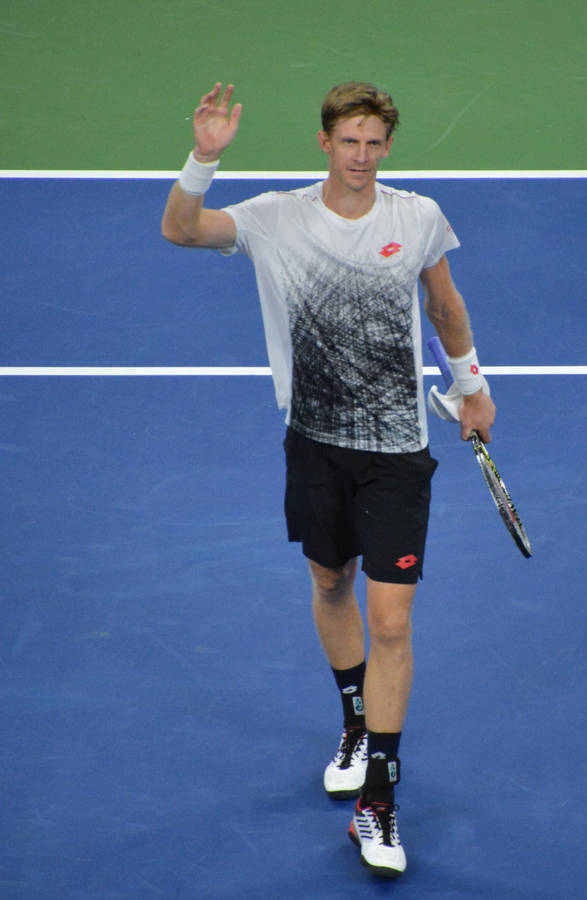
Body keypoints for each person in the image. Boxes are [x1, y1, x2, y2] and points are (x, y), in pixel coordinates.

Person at [162, 81, 495, 878]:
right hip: (313, 446)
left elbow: (444, 305)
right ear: (324, 143)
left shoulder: (416, 217)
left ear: (388, 146)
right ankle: (354, 722)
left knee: (392, 623)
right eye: (349, 141)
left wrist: (471, 384)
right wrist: (203, 158)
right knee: (328, 581)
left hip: (397, 453)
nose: (362, 156)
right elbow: (181, 229)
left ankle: (377, 801)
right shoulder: (275, 218)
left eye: (374, 143)